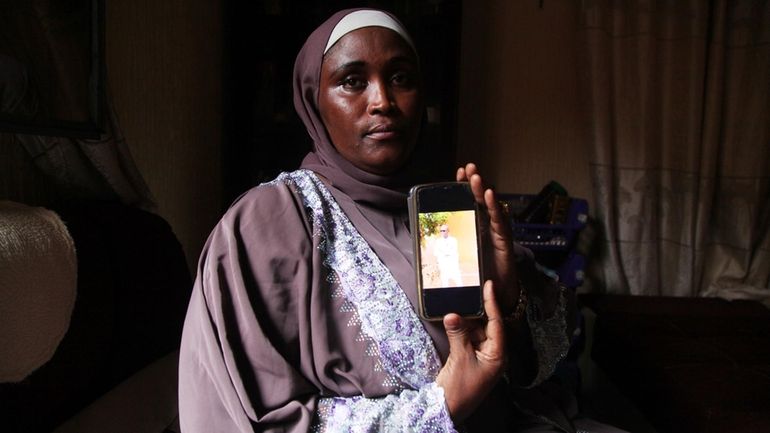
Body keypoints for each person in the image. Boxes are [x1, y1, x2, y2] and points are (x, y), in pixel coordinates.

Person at [179, 8, 626, 433]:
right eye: (352, 81)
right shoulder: (270, 221)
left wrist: (509, 297)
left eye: (401, 78)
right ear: (314, 101)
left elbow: (539, 367)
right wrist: (440, 407)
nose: (383, 101)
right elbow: (260, 418)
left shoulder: (446, 209)